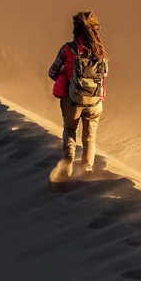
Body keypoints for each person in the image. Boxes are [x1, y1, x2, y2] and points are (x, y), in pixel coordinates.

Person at [48, 10, 108, 177]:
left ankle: (68, 160)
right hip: (95, 101)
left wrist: (66, 77)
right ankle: (86, 170)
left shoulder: (68, 49)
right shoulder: (99, 51)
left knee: (70, 129)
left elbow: (52, 71)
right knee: (90, 137)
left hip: (72, 100)